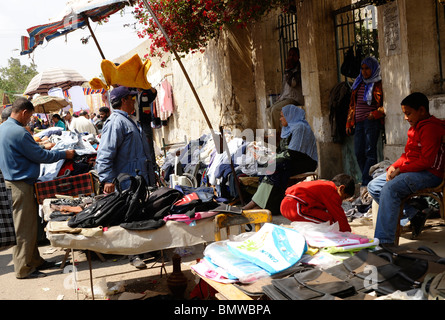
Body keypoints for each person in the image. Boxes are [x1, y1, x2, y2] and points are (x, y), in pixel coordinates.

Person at [0, 98, 75, 279]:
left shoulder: (4, 128)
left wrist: (42, 146)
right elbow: (40, 155)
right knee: (24, 229)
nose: (30, 119)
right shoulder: (19, 131)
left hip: (13, 183)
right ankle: (24, 269)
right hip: (20, 185)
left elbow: (25, 150)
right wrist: (63, 153)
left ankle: (34, 261)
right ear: (24, 112)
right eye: (31, 115)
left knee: (29, 227)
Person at [367, 92, 445, 244]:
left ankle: (384, 242)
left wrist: (401, 170)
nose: (405, 118)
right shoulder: (415, 128)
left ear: (422, 111)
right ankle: (414, 213)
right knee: (374, 185)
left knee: (390, 188)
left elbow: (426, 161)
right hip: (414, 170)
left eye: (408, 114)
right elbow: (407, 154)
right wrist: (394, 166)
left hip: (429, 174)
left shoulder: (430, 128)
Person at [95, 86, 154, 269]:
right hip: (126, 180)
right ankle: (133, 254)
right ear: (124, 101)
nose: (134, 102)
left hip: (137, 178)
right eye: (132, 99)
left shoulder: (128, 121)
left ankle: (143, 248)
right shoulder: (115, 123)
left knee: (139, 214)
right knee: (128, 217)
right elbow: (105, 154)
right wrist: (107, 179)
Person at [243, 104, 318, 215]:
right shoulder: (287, 129)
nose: (280, 119)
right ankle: (261, 203)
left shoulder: (300, 128)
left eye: (282, 116)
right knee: (271, 166)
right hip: (290, 160)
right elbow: (280, 151)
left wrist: (272, 159)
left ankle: (260, 203)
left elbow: (293, 153)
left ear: (290, 116)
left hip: (304, 162)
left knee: (276, 166)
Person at [346, 56, 384, 188]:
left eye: (367, 68)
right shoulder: (358, 82)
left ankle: (366, 182)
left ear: (373, 69)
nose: (364, 72)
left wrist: (375, 114)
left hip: (370, 122)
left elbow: (385, 104)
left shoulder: (378, 83)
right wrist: (349, 122)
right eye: (362, 69)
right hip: (358, 122)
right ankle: (367, 178)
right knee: (358, 152)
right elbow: (352, 105)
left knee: (370, 152)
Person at [280, 173, 355, 232]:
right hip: (295, 207)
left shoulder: (324, 184)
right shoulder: (332, 191)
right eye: (344, 197)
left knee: (323, 217)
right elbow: (338, 215)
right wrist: (347, 232)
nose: (341, 201)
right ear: (341, 188)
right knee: (328, 221)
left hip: (287, 204)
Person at [267, 47, 304, 134]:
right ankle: (278, 134)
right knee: (270, 110)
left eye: (294, 55)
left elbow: (293, 83)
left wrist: (288, 70)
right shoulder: (289, 69)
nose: (291, 57)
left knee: (275, 110)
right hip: (286, 97)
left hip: (294, 98)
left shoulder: (299, 69)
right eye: (290, 55)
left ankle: (274, 135)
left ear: (298, 57)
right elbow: (285, 86)